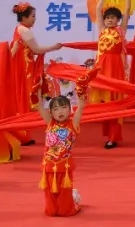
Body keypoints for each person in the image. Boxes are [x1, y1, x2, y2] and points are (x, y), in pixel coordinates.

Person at [11, 3, 64, 142]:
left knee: (27, 101)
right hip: (25, 70)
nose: (35, 19)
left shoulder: (20, 29)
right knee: (36, 100)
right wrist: (54, 47)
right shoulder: (25, 30)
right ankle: (54, 131)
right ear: (24, 17)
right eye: (33, 16)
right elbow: (37, 49)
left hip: (23, 68)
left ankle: (23, 135)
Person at [91, 0, 131, 149]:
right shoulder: (102, 30)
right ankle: (108, 135)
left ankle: (113, 137)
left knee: (115, 103)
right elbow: (97, 9)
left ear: (117, 20)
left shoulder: (121, 30)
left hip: (116, 70)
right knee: (105, 104)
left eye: (112, 18)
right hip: (102, 70)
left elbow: (127, 10)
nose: (109, 20)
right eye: (107, 18)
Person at [38, 86, 85, 217]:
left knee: (65, 210)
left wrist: (81, 99)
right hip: (48, 166)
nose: (60, 111)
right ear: (51, 112)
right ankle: (66, 200)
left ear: (69, 109)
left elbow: (80, 108)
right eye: (56, 109)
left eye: (64, 107)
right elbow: (39, 107)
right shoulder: (50, 123)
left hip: (64, 166)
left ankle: (74, 199)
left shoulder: (73, 124)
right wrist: (38, 90)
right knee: (51, 211)